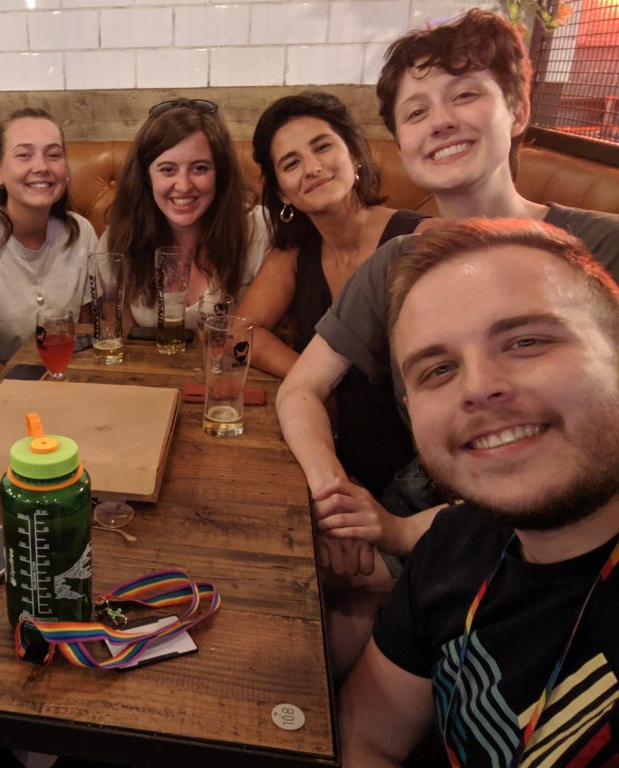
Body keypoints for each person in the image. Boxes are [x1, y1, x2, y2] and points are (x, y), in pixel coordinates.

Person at [275, 9, 619, 578]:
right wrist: (333, 491)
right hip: (435, 523)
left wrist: (403, 531)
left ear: (517, 110)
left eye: (463, 96)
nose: (439, 122)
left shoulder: (602, 245)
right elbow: (300, 390)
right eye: (416, 112)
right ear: (401, 143)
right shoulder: (396, 263)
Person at [339, 218, 619, 767]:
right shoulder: (456, 542)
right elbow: (367, 736)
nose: (479, 387)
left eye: (526, 341)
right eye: (438, 370)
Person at [238, 91, 433, 493]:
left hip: (416, 474)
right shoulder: (293, 252)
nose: (312, 168)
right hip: (322, 454)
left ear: (355, 155)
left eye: (322, 147)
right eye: (291, 164)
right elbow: (240, 332)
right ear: (284, 193)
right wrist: (309, 381)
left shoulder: (421, 239)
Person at [104, 99, 270, 329]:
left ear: (219, 174)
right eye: (167, 170)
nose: (183, 185)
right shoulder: (120, 238)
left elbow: (269, 331)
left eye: (199, 168)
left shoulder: (257, 228)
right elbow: (123, 339)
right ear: (146, 178)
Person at [0, 108, 99, 363]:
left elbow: (86, 328)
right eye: (24, 155)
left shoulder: (81, 232)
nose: (41, 166)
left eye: (53, 155)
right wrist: (17, 383)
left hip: (65, 377)